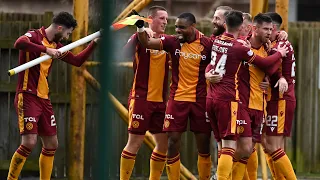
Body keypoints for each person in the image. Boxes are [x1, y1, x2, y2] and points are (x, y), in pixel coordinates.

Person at [7, 12, 99, 180]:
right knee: (29, 142)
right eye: (67, 33)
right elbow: (19, 43)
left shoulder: (56, 46)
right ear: (59, 28)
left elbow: (77, 61)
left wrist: (94, 43)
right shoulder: (34, 36)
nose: (66, 37)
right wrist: (45, 50)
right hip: (27, 96)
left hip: (44, 98)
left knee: (51, 144)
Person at [205, 10, 287, 180]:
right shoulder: (241, 47)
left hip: (214, 98)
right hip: (231, 99)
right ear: (244, 27)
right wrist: (280, 54)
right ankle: (219, 177)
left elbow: (212, 63)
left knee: (245, 148)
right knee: (232, 146)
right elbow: (263, 62)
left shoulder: (217, 41)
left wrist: (276, 76)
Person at [136, 12, 213, 180]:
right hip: (177, 99)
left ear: (193, 27)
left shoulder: (208, 44)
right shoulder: (172, 41)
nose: (177, 30)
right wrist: (140, 27)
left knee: (204, 145)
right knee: (172, 142)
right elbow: (146, 42)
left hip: (200, 100)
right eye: (176, 27)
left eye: (182, 28)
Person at [119, 6, 169, 180]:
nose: (165, 22)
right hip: (141, 99)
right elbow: (124, 54)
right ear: (150, 19)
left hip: (161, 102)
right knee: (135, 143)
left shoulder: (167, 41)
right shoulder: (140, 37)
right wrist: (139, 31)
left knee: (163, 145)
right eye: (162, 18)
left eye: (166, 19)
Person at [233, 13, 282, 180]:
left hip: (259, 106)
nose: (269, 32)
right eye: (265, 29)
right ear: (254, 28)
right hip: (241, 104)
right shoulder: (242, 45)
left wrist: (270, 79)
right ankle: (221, 174)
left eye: (271, 29)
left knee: (248, 151)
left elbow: (272, 70)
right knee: (243, 148)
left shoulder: (268, 49)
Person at [263, 12, 297, 180]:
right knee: (269, 146)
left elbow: (269, 66)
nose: (265, 31)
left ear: (273, 28)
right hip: (271, 99)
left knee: (273, 146)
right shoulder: (276, 41)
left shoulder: (280, 45)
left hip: (281, 98)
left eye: (267, 28)